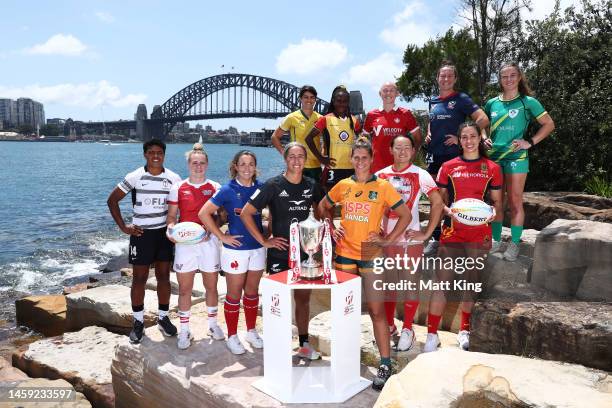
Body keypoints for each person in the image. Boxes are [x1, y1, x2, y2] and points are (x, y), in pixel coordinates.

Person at [318, 137, 412, 391]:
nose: (360, 162)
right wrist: (331, 226)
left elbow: (406, 215)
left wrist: (387, 239)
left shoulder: (382, 186)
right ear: (352, 160)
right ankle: (345, 357)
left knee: (376, 311)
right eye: (356, 158)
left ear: (371, 160)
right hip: (345, 253)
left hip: (371, 253)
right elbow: (322, 206)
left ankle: (384, 363)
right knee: (343, 309)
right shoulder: (343, 185)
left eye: (364, 158)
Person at [422, 121, 502, 353]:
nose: (468, 141)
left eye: (472, 136)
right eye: (464, 137)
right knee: (442, 282)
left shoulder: (492, 168)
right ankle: (431, 335)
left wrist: (492, 214)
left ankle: (464, 330)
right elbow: (440, 201)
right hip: (452, 232)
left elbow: (497, 203)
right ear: (459, 140)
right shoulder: (448, 166)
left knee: (471, 282)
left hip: (479, 234)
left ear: (479, 138)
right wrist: (449, 212)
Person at [240, 142, 325, 360]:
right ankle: (277, 343)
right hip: (280, 252)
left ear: (306, 160)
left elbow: (324, 210)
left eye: (300, 157)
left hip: (305, 255)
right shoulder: (272, 185)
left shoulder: (312, 184)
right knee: (277, 299)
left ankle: (304, 345)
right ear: (285, 159)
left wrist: (322, 233)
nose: (296, 161)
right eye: (292, 157)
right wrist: (264, 240)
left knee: (303, 299)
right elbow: (246, 213)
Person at [107, 139, 181, 344]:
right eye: (151, 152)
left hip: (164, 234)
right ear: (145, 155)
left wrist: (180, 229)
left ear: (164, 155)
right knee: (139, 279)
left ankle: (163, 318)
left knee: (164, 277)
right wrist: (124, 227)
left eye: (159, 152)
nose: (155, 156)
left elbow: (180, 204)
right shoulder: (135, 176)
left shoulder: (173, 178)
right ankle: (138, 322)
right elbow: (112, 200)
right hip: (142, 235)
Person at [375, 134, 444, 351]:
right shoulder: (379, 175)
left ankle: (408, 329)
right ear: (391, 150)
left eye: (407, 147)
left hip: (409, 242)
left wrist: (426, 233)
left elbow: (438, 203)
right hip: (385, 241)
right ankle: (389, 326)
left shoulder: (421, 175)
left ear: (413, 151)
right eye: (398, 147)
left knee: (409, 284)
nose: (402, 151)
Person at [484, 62, 555, 261]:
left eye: (512, 75)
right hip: (495, 158)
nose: (509, 80)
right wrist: (483, 137)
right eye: (504, 76)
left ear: (519, 77)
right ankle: (495, 240)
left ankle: (514, 243)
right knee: (496, 203)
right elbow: (481, 123)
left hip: (517, 157)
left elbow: (549, 124)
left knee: (515, 202)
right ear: (499, 80)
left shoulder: (528, 102)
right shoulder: (491, 103)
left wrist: (530, 142)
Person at [199, 150, 265, 355]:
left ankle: (251, 331)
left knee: (252, 293)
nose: (247, 168)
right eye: (242, 164)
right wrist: (222, 236)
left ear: (255, 167)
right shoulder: (228, 189)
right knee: (234, 294)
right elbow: (204, 213)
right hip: (235, 250)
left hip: (258, 248)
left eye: (250, 164)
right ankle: (232, 336)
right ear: (235, 166)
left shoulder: (262, 188)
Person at [424, 61, 490, 256]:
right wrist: (429, 132)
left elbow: (483, 119)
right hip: (434, 157)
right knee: (435, 200)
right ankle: (436, 239)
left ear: (455, 79)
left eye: (449, 76)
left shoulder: (461, 98)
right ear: (437, 78)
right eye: (442, 76)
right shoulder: (433, 101)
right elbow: (433, 121)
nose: (445, 79)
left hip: (454, 160)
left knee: (455, 200)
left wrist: (462, 138)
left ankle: (458, 240)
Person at [166, 143, 224, 350]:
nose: (198, 166)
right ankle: (184, 331)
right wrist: (170, 229)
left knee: (211, 286)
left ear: (207, 165)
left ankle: (212, 325)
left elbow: (220, 216)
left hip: (209, 242)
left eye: (202, 163)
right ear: (188, 164)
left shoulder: (215, 187)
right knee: (184, 289)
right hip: (185, 244)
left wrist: (211, 230)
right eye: (194, 163)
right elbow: (172, 216)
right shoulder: (178, 187)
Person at [305, 85, 362, 190]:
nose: (341, 104)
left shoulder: (354, 120)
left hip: (350, 168)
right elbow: (308, 138)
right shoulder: (325, 119)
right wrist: (320, 158)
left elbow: (362, 140)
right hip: (332, 168)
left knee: (347, 200)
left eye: (345, 101)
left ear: (348, 102)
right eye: (339, 101)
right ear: (333, 101)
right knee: (330, 202)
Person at [364, 82, 422, 174]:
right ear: (380, 94)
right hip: (377, 168)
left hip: (400, 167)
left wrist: (411, 157)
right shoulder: (371, 115)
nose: (388, 93)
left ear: (397, 93)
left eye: (391, 90)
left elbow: (418, 138)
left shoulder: (406, 114)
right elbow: (365, 138)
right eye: (385, 91)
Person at [271, 85, 323, 181]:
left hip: (316, 166)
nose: (309, 100)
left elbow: (327, 140)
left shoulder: (321, 118)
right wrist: (285, 154)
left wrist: (322, 155)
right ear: (300, 99)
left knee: (317, 195)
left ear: (315, 100)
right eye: (306, 97)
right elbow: (275, 137)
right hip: (297, 166)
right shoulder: (291, 117)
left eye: (312, 97)